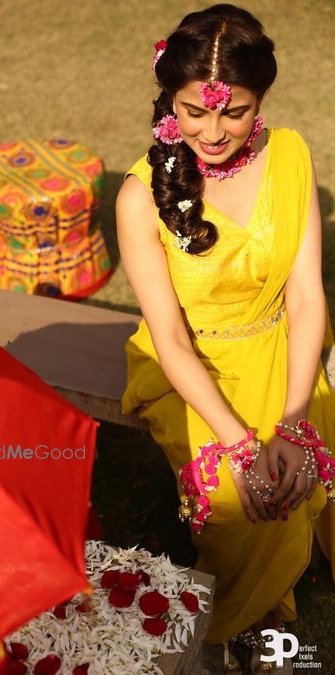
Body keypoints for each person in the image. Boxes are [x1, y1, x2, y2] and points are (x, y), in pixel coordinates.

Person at [116, 4, 335, 673]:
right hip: (191, 367)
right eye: (193, 111)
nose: (211, 133)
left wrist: (292, 422)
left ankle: (276, 598)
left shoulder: (290, 156)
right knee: (242, 499)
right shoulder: (139, 197)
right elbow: (170, 337)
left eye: (233, 112)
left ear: (260, 100)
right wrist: (240, 444)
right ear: (169, 100)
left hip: (281, 348)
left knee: (304, 461)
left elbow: (306, 295)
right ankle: (249, 618)